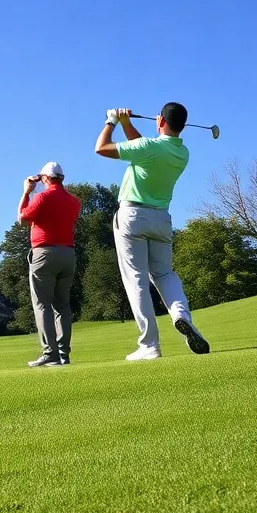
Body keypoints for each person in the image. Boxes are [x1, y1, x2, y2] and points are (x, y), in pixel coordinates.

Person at [95, 104, 211, 360]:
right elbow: (142, 148)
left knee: (136, 277)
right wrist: (127, 124)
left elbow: (101, 148)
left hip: (132, 217)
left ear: (160, 121)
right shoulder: (182, 153)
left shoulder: (148, 147)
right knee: (164, 273)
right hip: (161, 219)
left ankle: (149, 345)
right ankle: (181, 315)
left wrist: (111, 121)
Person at [18, 161, 81, 367]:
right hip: (68, 254)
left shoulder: (41, 197)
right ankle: (64, 354)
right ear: (62, 178)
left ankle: (50, 353)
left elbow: (22, 218)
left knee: (42, 304)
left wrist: (27, 192)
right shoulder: (74, 201)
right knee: (62, 305)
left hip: (44, 253)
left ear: (45, 178)